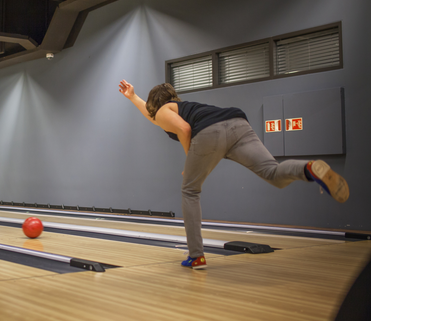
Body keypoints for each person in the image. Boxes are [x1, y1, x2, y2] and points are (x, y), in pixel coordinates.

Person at [118, 80, 349, 270]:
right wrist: (133, 97)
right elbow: (154, 117)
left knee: (190, 190)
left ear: (154, 103)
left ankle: (196, 256)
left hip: (209, 132)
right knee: (272, 172)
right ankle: (308, 169)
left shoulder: (163, 111)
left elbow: (184, 129)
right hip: (238, 123)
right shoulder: (182, 107)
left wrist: (190, 160)